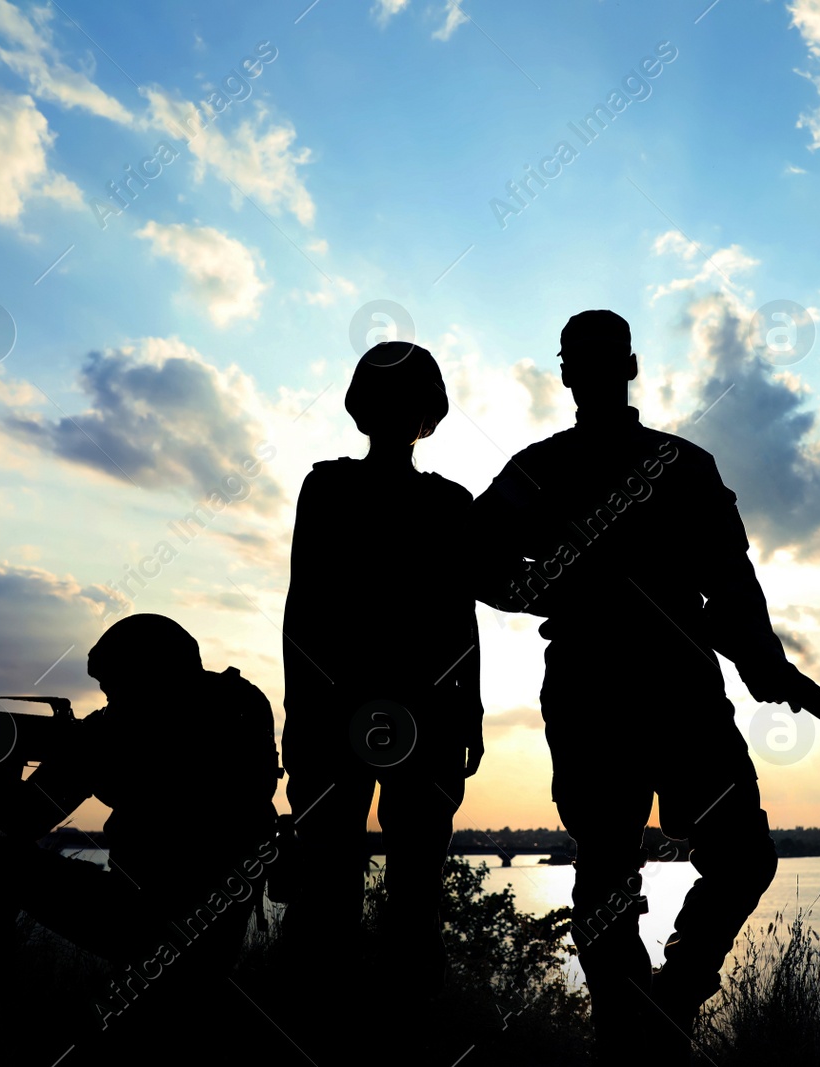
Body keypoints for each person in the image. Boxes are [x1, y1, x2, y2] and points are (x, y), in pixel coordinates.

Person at [471, 310, 820, 1063]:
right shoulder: (643, 465)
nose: (597, 373)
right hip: (626, 690)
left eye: (601, 361)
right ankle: (639, 1029)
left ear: (610, 370)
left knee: (707, 860)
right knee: (618, 868)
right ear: (584, 372)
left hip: (655, 690)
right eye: (589, 361)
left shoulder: (662, 466)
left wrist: (772, 670)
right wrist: (541, 589)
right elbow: (474, 559)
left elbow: (731, 592)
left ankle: (660, 1011)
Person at [0, 613, 280, 1044]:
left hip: (151, 926)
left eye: (112, 683)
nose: (106, 695)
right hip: (218, 933)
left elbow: (22, 821)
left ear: (143, 674)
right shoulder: (242, 704)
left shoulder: (113, 733)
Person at [279, 340, 483, 1009]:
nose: (399, 415)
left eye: (409, 403)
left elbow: (461, 616)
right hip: (345, 714)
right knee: (333, 894)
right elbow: (302, 609)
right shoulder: (331, 487)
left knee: (408, 900)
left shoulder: (450, 503)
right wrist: (302, 713)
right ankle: (332, 1027)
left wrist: (471, 709)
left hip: (413, 716)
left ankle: (393, 1032)